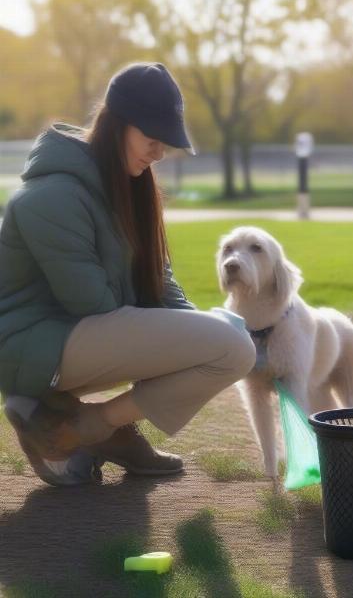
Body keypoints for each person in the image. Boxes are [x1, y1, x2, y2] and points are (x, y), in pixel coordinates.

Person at [0, 62, 256, 486]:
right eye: (152, 140)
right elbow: (94, 305)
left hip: (74, 335)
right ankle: (92, 425)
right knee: (233, 346)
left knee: (225, 333)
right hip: (24, 346)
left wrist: (195, 330)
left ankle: (71, 419)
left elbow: (160, 281)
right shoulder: (52, 197)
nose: (159, 154)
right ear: (115, 125)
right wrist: (190, 339)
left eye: (165, 145)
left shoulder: (127, 184)